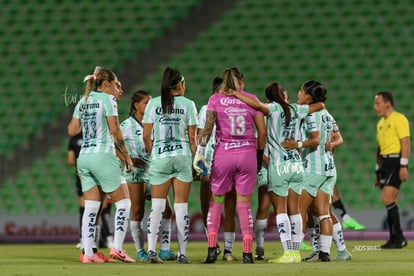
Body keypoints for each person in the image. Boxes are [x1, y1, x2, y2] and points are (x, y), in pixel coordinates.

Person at [232, 82, 324, 263]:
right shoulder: (297, 108)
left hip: (278, 166)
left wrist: (235, 93)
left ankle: (288, 252)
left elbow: (256, 105)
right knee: (295, 211)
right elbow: (320, 105)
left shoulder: (272, 109)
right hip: (297, 166)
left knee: (280, 210)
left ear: (269, 97)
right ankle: (296, 252)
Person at [194, 67, 266, 264]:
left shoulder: (215, 99)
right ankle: (247, 253)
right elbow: (262, 132)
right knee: (244, 206)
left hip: (223, 154)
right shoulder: (251, 99)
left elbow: (208, 128)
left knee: (215, 203)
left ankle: (211, 250)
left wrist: (200, 151)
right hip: (247, 154)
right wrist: (258, 157)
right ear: (240, 81)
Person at [67, 66, 135, 263]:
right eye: (116, 85)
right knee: (124, 202)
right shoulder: (108, 99)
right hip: (103, 156)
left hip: (84, 158)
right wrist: (127, 157)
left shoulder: (83, 100)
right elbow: (115, 130)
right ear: (106, 84)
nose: (118, 90)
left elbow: (72, 130)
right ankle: (118, 248)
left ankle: (88, 254)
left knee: (91, 206)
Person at [143, 67, 198, 264]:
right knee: (181, 208)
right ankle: (182, 253)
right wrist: (196, 160)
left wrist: (154, 154)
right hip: (182, 156)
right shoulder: (188, 104)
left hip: (160, 157)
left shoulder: (153, 104)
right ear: (180, 85)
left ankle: (151, 251)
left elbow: (146, 136)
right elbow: (193, 139)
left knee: (157, 207)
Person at [121, 90, 177, 262]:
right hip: (136, 174)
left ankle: (165, 249)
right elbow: (113, 145)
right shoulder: (127, 125)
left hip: (153, 172)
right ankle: (140, 251)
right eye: (146, 102)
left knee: (167, 210)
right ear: (136, 105)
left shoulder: (153, 122)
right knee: (137, 212)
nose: (150, 105)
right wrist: (128, 159)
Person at [282, 80, 335, 262]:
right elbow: (334, 138)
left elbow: (315, 139)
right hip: (328, 168)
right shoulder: (327, 114)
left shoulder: (312, 116)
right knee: (323, 212)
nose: (299, 93)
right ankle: (324, 253)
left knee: (297, 210)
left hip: (314, 167)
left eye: (302, 91)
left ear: (309, 96)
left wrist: (296, 144)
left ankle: (293, 252)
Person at [197, 77, 237, 261]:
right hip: (209, 163)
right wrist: (199, 157)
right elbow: (201, 135)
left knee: (229, 205)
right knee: (209, 206)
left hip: (228, 161)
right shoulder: (205, 109)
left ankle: (228, 249)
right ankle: (213, 245)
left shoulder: (235, 109)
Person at [374, 91, 410, 248]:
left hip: (396, 161)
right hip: (385, 163)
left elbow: (406, 142)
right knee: (391, 201)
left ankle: (400, 238)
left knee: (387, 199)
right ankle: (393, 238)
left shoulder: (399, 119)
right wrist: (377, 170)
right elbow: (379, 149)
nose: (375, 107)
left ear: (388, 103)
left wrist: (403, 165)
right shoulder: (380, 123)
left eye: (377, 103)